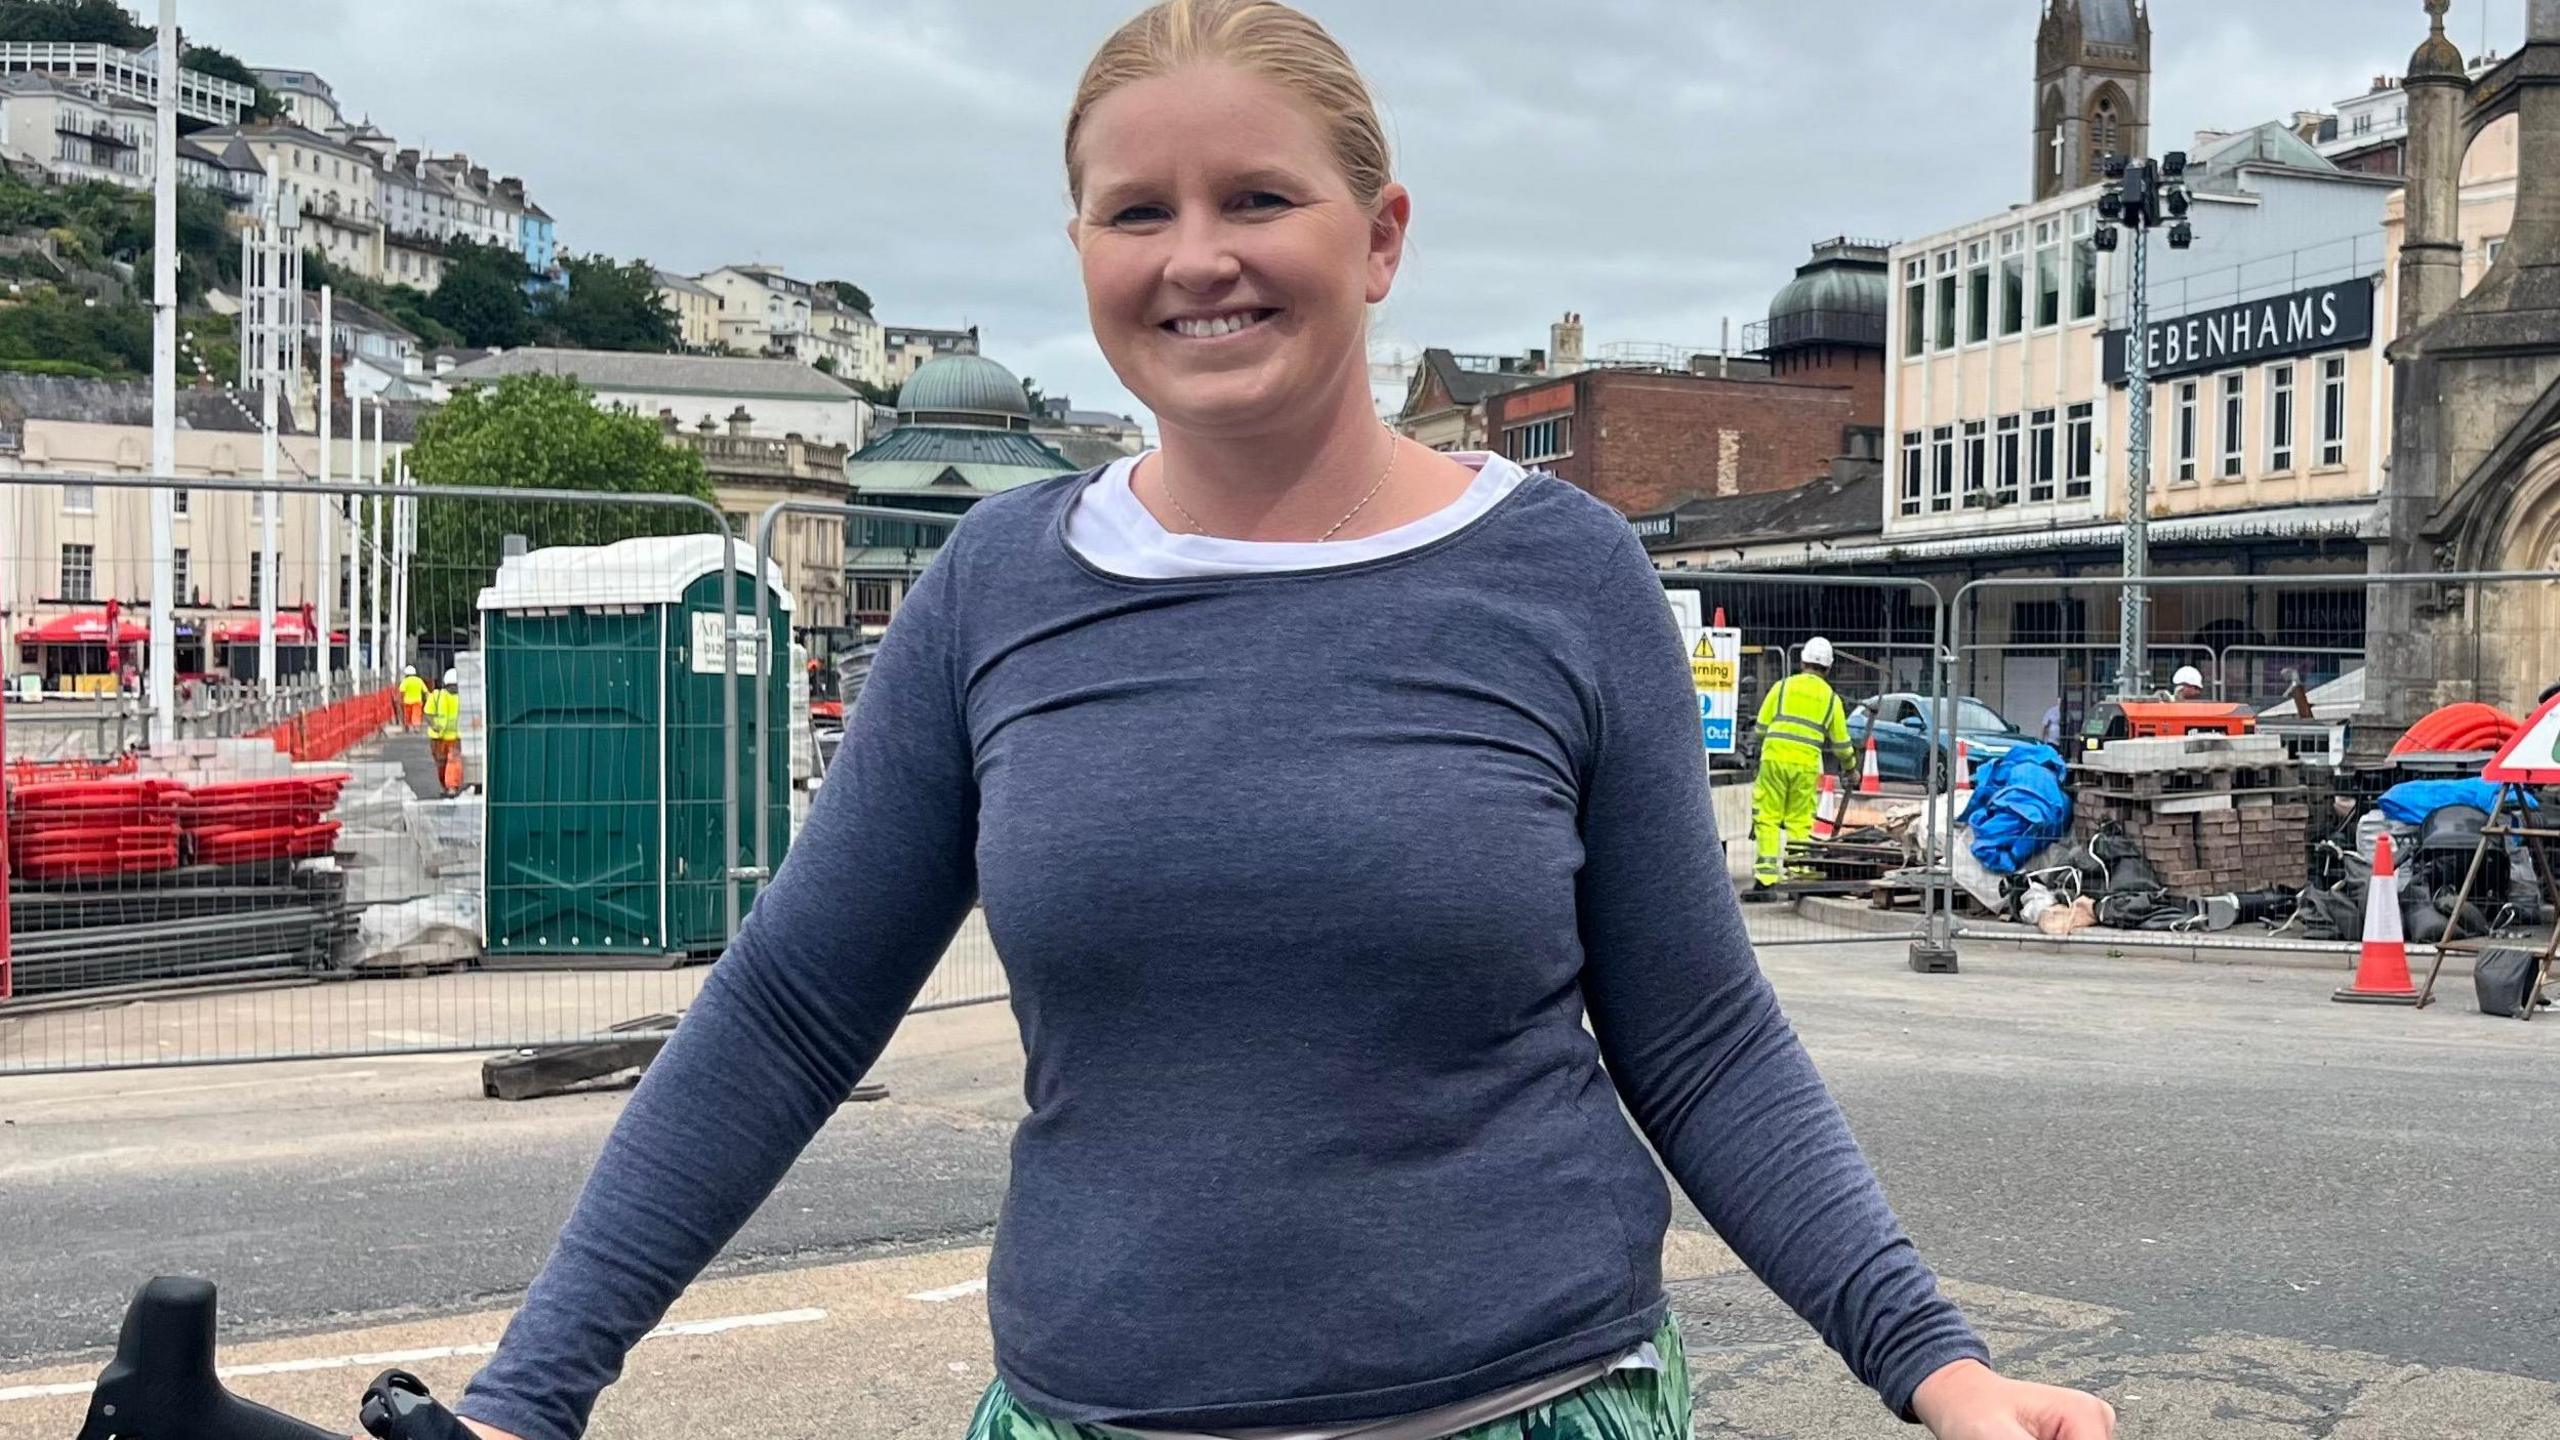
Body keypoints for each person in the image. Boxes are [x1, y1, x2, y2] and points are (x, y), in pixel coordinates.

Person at [447, 7, 2114, 1440]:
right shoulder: (995, 585)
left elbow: (1698, 1036)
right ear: (1086, 253)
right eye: (1136, 211)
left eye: (1259, 197)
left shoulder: (1562, 574)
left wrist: (1933, 1366)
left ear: (1379, 238)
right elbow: (793, 1012)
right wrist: (530, 1393)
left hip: (1532, 1405)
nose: (1197, 257)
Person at [1751, 637, 1856, 892]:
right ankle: (1798, 873)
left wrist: (1761, 749)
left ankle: (1765, 878)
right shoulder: (1831, 698)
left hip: (1774, 758)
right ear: (1829, 669)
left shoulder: (1782, 687)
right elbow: (1841, 743)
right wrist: (1851, 767)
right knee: (1799, 820)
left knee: (1767, 817)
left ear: (1802, 662)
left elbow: (1761, 727)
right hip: (1806, 765)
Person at [424, 669, 462, 798]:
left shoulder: (439, 696)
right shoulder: (437, 695)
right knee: (442, 763)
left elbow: (427, 713)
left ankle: (451, 786)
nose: (454, 689)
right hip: (439, 737)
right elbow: (428, 713)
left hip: (453, 737)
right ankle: (446, 785)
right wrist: (434, 725)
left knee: (453, 761)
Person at [398, 664, 428, 730]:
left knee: (407, 715)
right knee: (416, 714)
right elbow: (425, 691)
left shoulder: (405, 681)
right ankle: (416, 727)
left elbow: (402, 691)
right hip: (417, 701)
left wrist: (400, 699)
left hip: (407, 701)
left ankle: (407, 726)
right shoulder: (419, 680)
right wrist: (427, 699)